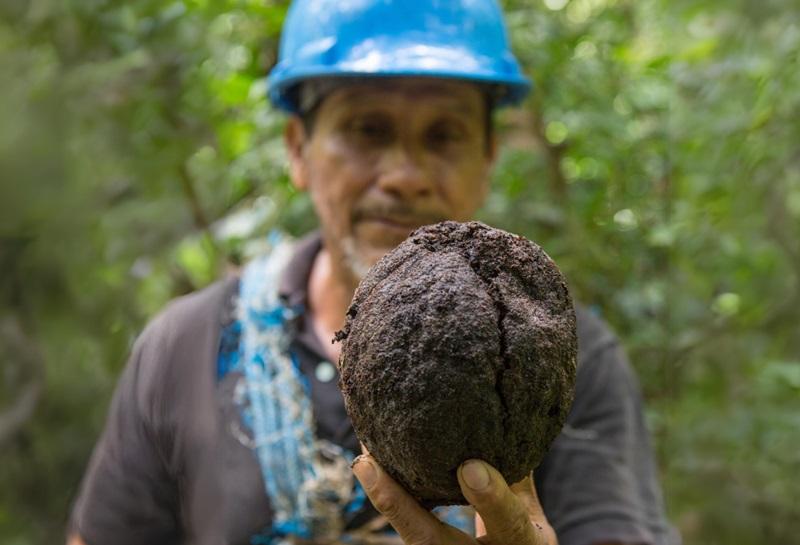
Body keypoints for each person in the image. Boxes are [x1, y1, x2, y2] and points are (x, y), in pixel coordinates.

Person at [68, 1, 679, 544]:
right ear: (298, 149)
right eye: (367, 129)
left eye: (444, 135)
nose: (404, 175)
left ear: (488, 157)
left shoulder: (565, 357)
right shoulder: (184, 349)